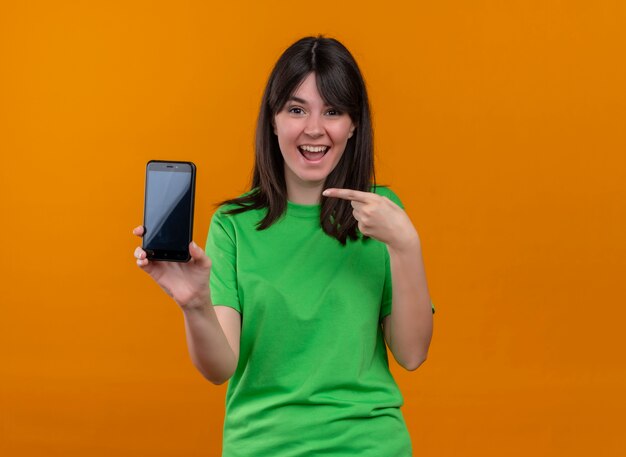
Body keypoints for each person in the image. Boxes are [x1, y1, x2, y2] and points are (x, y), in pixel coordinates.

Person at [133, 36, 434, 457]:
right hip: (262, 447)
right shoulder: (233, 225)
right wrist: (195, 303)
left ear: (354, 125)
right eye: (296, 109)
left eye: (332, 111)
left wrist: (406, 245)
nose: (314, 128)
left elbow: (412, 353)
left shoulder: (381, 215)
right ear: (273, 121)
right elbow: (220, 369)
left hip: (370, 446)